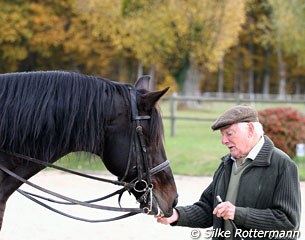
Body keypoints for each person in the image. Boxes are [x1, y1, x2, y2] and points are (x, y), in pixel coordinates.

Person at [156, 105, 301, 240]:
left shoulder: (283, 165)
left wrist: (238, 214)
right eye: (222, 135)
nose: (223, 141)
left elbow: (288, 222)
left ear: (250, 129)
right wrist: (176, 215)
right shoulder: (227, 163)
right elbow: (208, 208)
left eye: (229, 134)